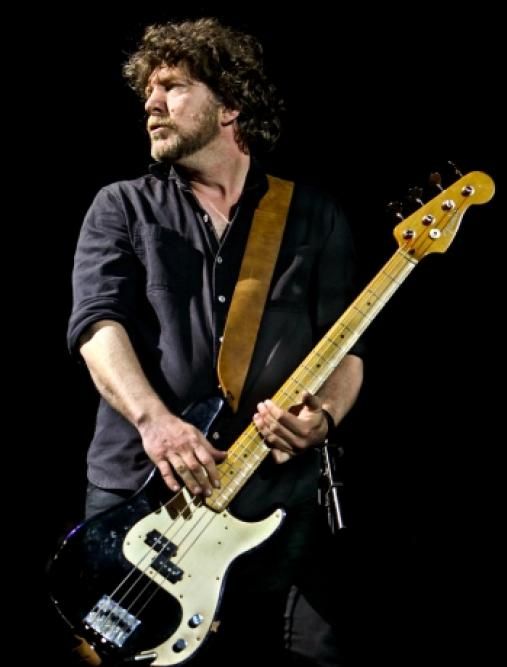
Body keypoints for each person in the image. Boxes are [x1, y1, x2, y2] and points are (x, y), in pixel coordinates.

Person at [67, 17, 364, 667]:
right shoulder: (122, 207)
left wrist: (323, 417)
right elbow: (96, 326)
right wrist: (155, 422)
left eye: (172, 86)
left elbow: (347, 350)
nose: (151, 103)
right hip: (143, 496)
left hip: (271, 503)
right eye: (148, 91)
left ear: (229, 104)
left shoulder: (312, 216)